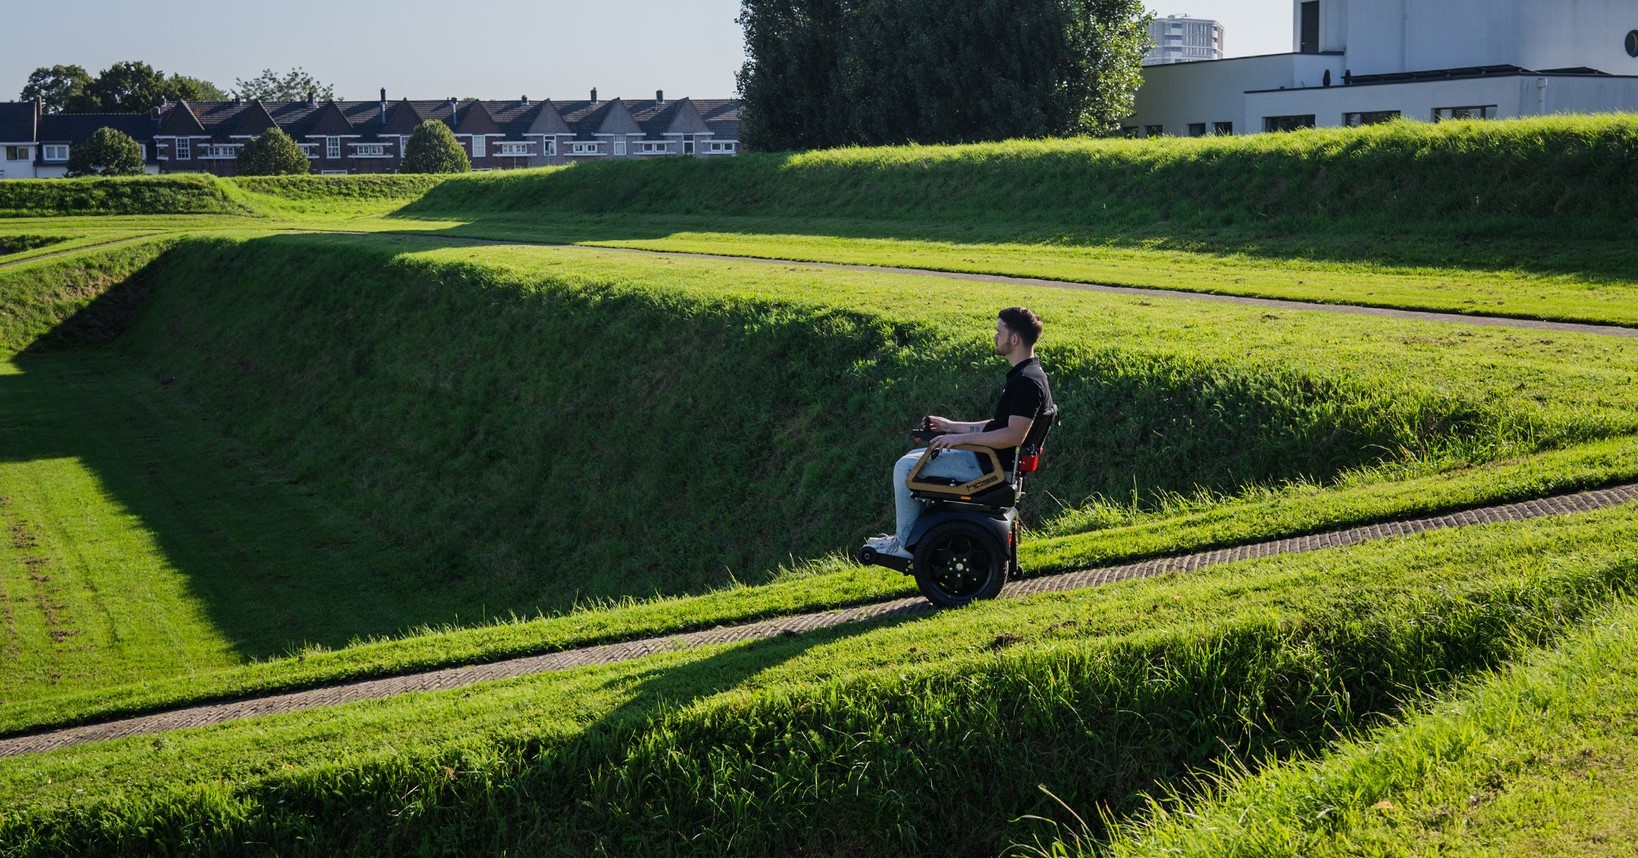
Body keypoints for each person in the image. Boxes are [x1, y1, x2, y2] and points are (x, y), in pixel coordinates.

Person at [864, 307, 1053, 560]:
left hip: (991, 467)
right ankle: (908, 537)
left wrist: (959, 440)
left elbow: (1013, 436)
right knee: (913, 457)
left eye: (999, 332)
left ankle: (903, 543)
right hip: (990, 460)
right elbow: (999, 426)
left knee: (905, 467)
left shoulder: (1026, 381)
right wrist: (950, 426)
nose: (995, 337)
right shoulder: (1028, 374)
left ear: (1015, 339)